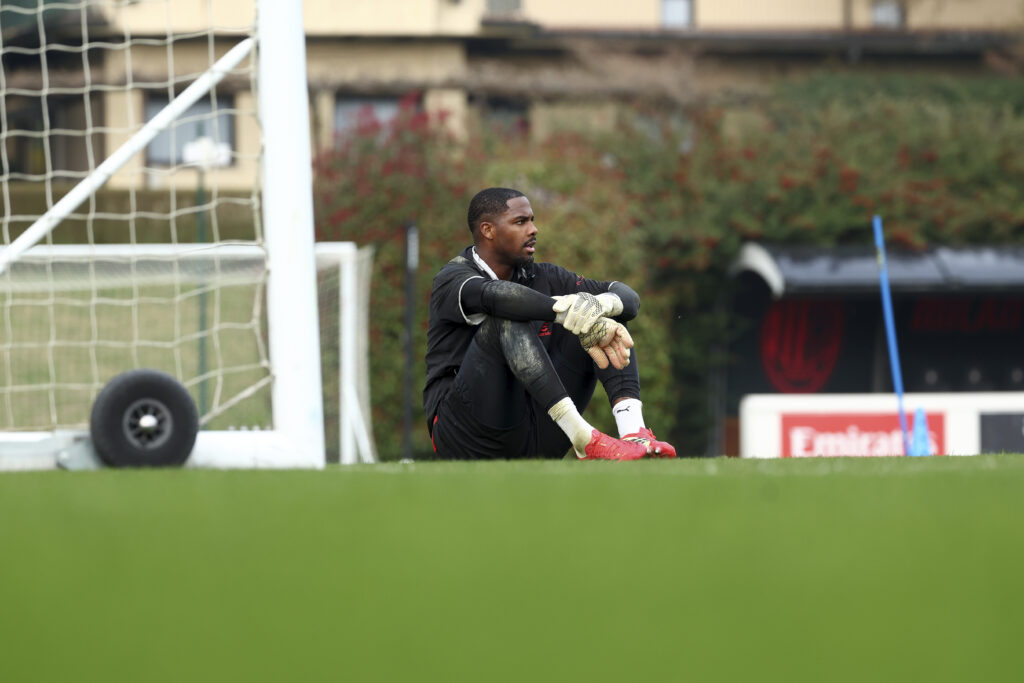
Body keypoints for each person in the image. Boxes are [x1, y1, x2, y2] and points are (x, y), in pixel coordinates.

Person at [423, 187, 676, 461]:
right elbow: (498, 297)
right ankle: (583, 436)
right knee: (506, 320)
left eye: (532, 220)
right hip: (465, 437)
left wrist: (601, 306)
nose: (534, 229)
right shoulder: (453, 278)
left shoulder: (544, 276)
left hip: (537, 433)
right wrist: (563, 311)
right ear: (488, 230)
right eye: (521, 222)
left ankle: (634, 432)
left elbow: (628, 297)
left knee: (603, 314)